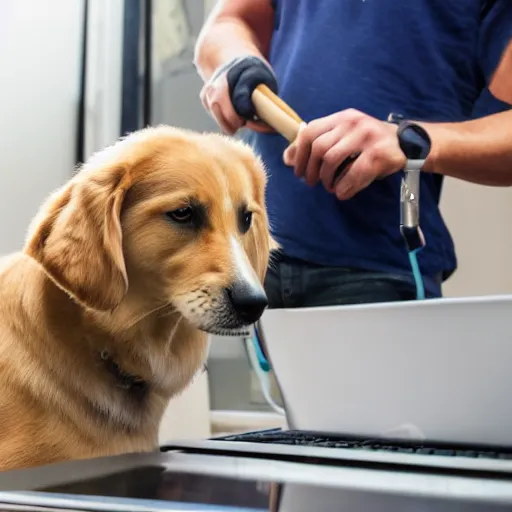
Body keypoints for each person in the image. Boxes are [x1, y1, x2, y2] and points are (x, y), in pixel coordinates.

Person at [194, 0, 512, 309]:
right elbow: (230, 21)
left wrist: (410, 140)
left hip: (376, 265)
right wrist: (235, 64)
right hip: (256, 246)